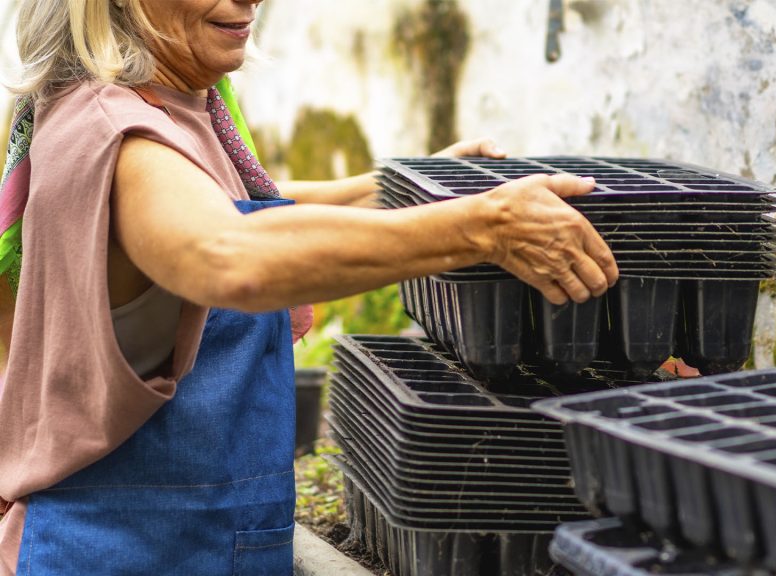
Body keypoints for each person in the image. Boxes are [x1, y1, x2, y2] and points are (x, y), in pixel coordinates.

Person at [0, 0, 619, 573]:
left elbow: (246, 207)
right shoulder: (122, 132)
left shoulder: (163, 106)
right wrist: (480, 229)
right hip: (124, 551)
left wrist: (409, 188)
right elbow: (228, 253)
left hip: (189, 540)